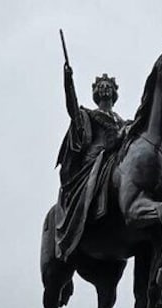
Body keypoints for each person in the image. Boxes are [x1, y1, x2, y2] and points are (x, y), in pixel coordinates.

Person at [54, 62, 126, 260]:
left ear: (113, 93)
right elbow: (72, 108)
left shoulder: (122, 120)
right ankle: (86, 210)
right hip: (95, 159)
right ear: (96, 93)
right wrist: (68, 81)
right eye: (100, 86)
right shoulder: (88, 115)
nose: (104, 88)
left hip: (116, 157)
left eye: (108, 86)